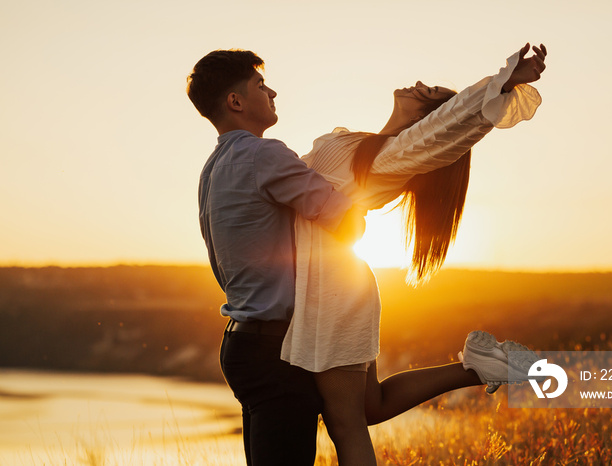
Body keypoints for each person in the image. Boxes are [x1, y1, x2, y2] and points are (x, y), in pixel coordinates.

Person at [280, 43, 548, 465]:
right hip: (337, 290)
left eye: (430, 93)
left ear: (431, 119)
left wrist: (503, 81)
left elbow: (450, 122)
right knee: (370, 407)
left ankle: (478, 367)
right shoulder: (355, 143)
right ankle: (476, 368)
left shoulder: (392, 159)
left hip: (330, 295)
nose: (420, 84)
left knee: (345, 424)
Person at [187, 50, 364, 466]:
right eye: (260, 86)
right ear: (236, 101)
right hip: (276, 350)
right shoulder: (263, 154)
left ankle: (504, 369)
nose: (272, 91)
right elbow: (348, 222)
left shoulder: (213, 166)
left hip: (243, 342)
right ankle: (512, 370)